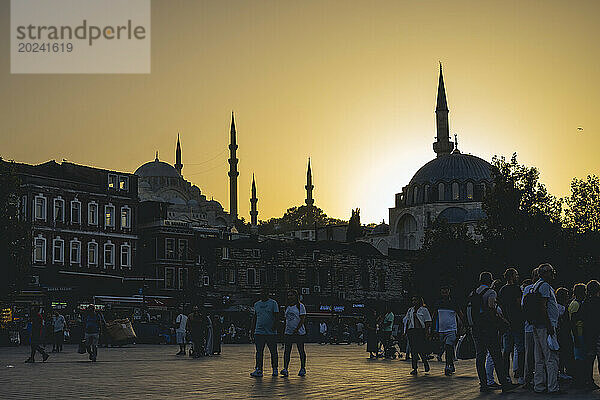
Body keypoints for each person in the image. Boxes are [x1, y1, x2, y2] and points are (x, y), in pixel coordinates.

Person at [470, 272, 517, 393]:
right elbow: (491, 307)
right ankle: (504, 383)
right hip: (488, 329)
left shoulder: (473, 293)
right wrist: (500, 321)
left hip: (476, 328)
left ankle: (484, 383)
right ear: (490, 280)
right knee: (496, 356)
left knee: (480, 356)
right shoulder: (490, 292)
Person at [531, 263, 562, 394]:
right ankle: (553, 387)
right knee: (551, 357)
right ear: (544, 273)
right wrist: (549, 325)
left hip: (536, 325)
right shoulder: (544, 286)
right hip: (545, 326)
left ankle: (539, 386)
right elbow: (543, 307)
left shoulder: (535, 285)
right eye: (551, 271)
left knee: (539, 359)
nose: (553, 273)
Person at [498, 268, 525, 384]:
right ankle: (520, 374)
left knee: (506, 350)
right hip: (517, 322)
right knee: (520, 349)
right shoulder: (516, 288)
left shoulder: (502, 289)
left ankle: (506, 375)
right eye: (516, 274)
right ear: (512, 276)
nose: (517, 276)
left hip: (506, 322)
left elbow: (500, 305)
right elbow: (519, 304)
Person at [250, 289, 279, 377]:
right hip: (259, 332)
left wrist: (274, 327)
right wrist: (252, 330)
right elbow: (255, 318)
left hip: (271, 333)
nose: (264, 294)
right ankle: (259, 369)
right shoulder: (256, 304)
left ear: (268, 294)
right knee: (259, 352)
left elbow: (277, 316)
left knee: (273, 351)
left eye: (266, 293)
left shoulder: (273, 303)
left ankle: (275, 368)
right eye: (262, 293)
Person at [433, 286, 461, 376]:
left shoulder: (453, 303)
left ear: (449, 291)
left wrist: (463, 326)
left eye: (446, 290)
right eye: (443, 289)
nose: (444, 291)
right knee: (445, 348)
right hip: (440, 330)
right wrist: (433, 328)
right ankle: (451, 364)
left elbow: (460, 314)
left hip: (451, 329)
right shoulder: (438, 303)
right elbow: (434, 315)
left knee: (448, 347)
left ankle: (447, 366)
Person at [281, 289, 307, 377]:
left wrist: (297, 329)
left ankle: (303, 368)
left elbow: (302, 319)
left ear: (296, 296)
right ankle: (285, 368)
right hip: (288, 332)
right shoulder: (287, 307)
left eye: (292, 295)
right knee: (287, 351)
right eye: (289, 295)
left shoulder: (300, 306)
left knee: (301, 350)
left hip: (299, 333)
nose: (290, 297)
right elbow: (286, 319)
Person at [404, 296, 431, 375]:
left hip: (420, 331)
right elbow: (407, 321)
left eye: (415, 300)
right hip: (412, 331)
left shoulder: (424, 310)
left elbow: (428, 322)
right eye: (413, 300)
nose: (414, 302)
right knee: (413, 350)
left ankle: (425, 363)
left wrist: (427, 332)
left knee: (421, 349)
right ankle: (414, 368)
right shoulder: (410, 310)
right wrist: (405, 331)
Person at [568, 283, 589, 388]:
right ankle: (578, 380)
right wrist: (576, 337)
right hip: (578, 333)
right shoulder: (576, 304)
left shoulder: (575, 303)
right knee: (579, 358)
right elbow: (572, 322)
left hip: (578, 333)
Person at [522, 268, 539, 389]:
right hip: (535, 326)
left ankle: (529, 379)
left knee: (531, 354)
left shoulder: (528, 289)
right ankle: (530, 379)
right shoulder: (531, 288)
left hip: (530, 325)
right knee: (534, 355)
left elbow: (523, 306)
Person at [581, 279, 600, 391]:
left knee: (589, 358)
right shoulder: (598, 301)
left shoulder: (585, 302)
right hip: (597, 334)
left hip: (588, 334)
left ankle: (588, 380)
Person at [555, 287, 574, 381]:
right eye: (566, 295)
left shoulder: (561, 306)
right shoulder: (559, 307)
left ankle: (562, 371)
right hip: (561, 333)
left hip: (562, 332)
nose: (568, 296)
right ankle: (561, 371)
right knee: (562, 352)